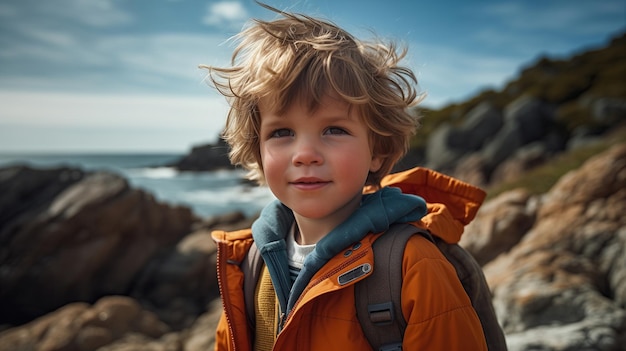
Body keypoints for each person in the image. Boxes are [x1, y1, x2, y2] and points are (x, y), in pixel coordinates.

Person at [203, 3, 490, 350]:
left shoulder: (412, 266)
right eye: (282, 133)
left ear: (378, 150)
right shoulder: (248, 263)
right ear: (258, 150)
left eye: (334, 129)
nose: (305, 154)